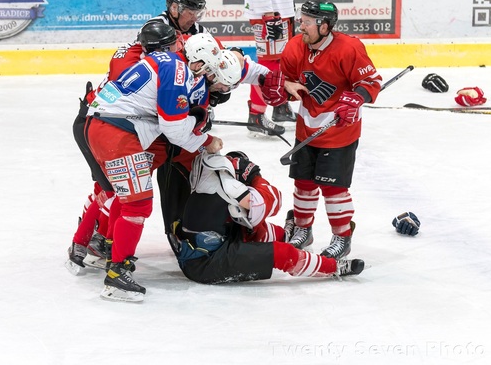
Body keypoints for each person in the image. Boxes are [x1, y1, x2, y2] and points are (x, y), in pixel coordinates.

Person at [84, 33, 229, 302]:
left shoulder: (168, 61)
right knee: (138, 204)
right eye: (206, 66)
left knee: (128, 199)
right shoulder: (178, 70)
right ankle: (117, 274)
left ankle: (110, 253)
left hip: (107, 126)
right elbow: (173, 129)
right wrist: (205, 140)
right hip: (118, 131)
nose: (207, 73)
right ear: (197, 61)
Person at [262, 0, 383, 259]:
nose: (300, 26)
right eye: (301, 20)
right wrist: (285, 88)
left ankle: (342, 236)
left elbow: (371, 81)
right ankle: (303, 230)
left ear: (325, 26)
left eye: (306, 22)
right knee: (303, 183)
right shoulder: (295, 46)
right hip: (307, 127)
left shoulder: (349, 48)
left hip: (340, 131)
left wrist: (356, 97)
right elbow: (289, 79)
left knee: (333, 188)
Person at [66, 22, 183, 275]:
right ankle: (88, 241)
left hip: (108, 124)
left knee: (118, 191)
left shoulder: (142, 53)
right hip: (103, 124)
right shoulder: (139, 62)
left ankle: (96, 242)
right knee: (110, 190)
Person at [168, 151, 365, 284]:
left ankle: (287, 235)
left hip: (204, 250)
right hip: (206, 263)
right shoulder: (229, 186)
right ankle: (333, 267)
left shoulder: (205, 176)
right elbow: (271, 202)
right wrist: (255, 177)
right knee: (281, 252)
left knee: (251, 228)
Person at [244, 0, 296, 137]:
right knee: (269, 65)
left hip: (279, 12)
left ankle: (280, 106)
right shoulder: (269, 16)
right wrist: (269, 16)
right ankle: (256, 115)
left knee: (281, 62)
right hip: (270, 16)